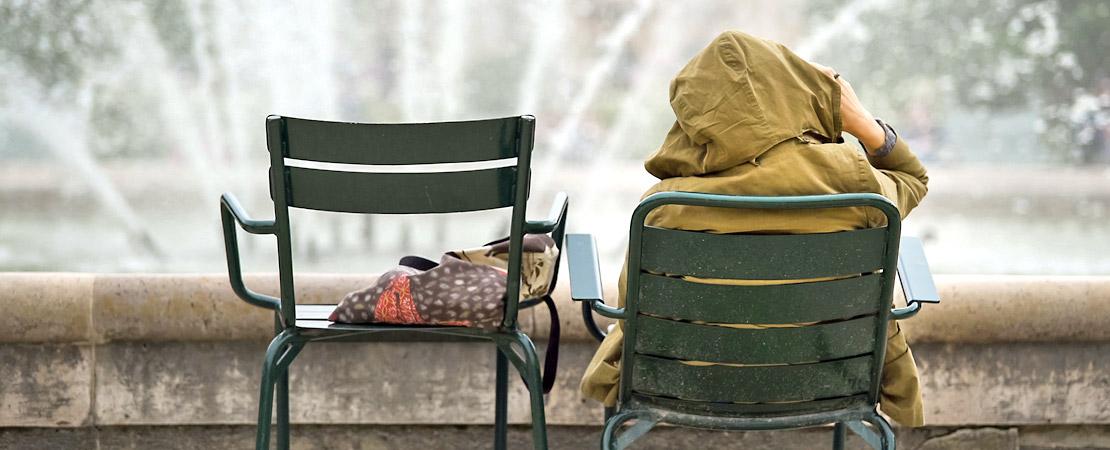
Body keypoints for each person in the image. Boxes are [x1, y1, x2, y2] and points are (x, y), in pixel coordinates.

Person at [579, 30, 929, 427]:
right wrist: (864, 123)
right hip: (827, 380)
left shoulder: (664, 205)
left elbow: (631, 308)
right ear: (792, 92)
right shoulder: (853, 182)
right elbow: (914, 178)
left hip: (687, 385)